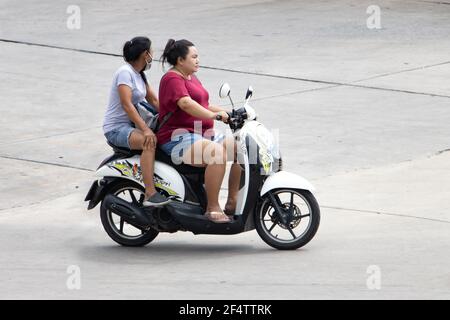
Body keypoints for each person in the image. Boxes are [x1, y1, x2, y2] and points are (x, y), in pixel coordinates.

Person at [157, 39, 241, 223]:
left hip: (200, 133)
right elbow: (186, 104)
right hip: (177, 136)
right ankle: (212, 208)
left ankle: (232, 202)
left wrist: (227, 113)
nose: (198, 60)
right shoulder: (172, 78)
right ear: (180, 60)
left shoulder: (190, 76)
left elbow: (203, 104)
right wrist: (214, 117)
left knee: (241, 148)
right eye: (194, 57)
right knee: (216, 153)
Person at [103, 36, 170, 207]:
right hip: (116, 129)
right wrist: (145, 130)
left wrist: (174, 116)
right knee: (149, 141)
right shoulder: (124, 72)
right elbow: (126, 104)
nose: (153, 55)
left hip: (130, 126)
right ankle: (150, 192)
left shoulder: (140, 75)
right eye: (151, 51)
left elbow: (154, 101)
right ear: (145, 54)